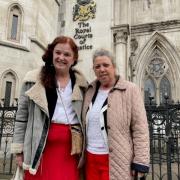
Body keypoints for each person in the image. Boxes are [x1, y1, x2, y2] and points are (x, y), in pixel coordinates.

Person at [11, 36, 88, 180]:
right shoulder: (33, 80)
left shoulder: (82, 85)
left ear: (74, 58)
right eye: (58, 53)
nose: (61, 57)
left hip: (70, 153)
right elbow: (22, 118)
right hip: (39, 150)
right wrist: (19, 152)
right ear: (52, 54)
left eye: (67, 54)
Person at [82, 49, 150, 180]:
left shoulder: (130, 90)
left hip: (117, 160)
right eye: (97, 66)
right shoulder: (89, 90)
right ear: (94, 70)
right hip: (91, 159)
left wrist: (140, 162)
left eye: (106, 65)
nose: (101, 69)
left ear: (114, 67)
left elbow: (140, 128)